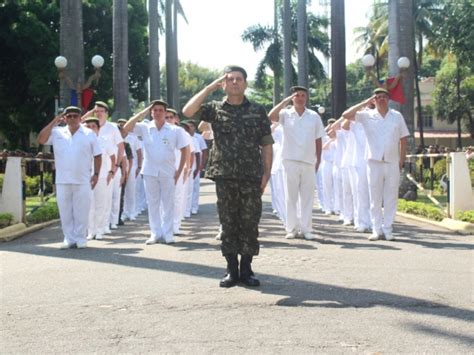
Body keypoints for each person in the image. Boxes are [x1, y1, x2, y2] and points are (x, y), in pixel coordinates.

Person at [182, 65, 273, 288]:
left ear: (245, 83)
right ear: (224, 84)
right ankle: (231, 269)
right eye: (230, 79)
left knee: (250, 222)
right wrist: (210, 86)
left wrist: (267, 172)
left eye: (239, 79)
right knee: (228, 222)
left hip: (251, 174)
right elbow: (187, 111)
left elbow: (266, 144)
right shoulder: (214, 109)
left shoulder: (258, 110)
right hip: (225, 175)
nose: (234, 82)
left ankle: (247, 269)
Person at [342, 87, 409, 241]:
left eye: (384, 97)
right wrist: (365, 102)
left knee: (391, 197)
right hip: (373, 162)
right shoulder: (366, 115)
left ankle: (388, 228)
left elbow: (403, 138)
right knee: (375, 198)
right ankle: (376, 229)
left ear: (389, 99)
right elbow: (346, 115)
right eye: (378, 97)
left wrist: (402, 159)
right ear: (374, 100)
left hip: (392, 161)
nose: (381, 99)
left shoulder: (396, 116)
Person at [122, 100, 189, 245]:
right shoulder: (145, 127)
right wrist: (142, 113)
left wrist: (179, 171)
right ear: (151, 112)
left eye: (160, 110)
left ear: (165, 113)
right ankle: (155, 233)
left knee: (168, 204)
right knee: (152, 204)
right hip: (150, 172)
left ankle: (168, 233)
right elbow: (126, 128)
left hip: (168, 171)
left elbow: (185, 150)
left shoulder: (175, 130)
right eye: (155, 110)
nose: (157, 113)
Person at [38, 106, 102, 249]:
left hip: (83, 179)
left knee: (82, 210)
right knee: (65, 211)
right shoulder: (56, 132)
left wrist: (96, 174)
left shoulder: (89, 134)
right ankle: (69, 238)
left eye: (75, 116)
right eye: (69, 116)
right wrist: (55, 120)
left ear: (80, 118)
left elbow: (98, 155)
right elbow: (41, 139)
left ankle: (80, 238)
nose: (72, 118)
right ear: (65, 118)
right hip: (63, 179)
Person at [269, 86, 325, 240]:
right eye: (297, 96)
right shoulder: (285, 114)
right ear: (293, 98)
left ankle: (307, 229)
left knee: (307, 198)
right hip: (290, 160)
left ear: (306, 98)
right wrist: (285, 101)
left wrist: (318, 158)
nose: (300, 98)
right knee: (291, 197)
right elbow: (270, 116)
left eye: (303, 95)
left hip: (308, 161)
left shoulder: (313, 116)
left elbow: (318, 138)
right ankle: (291, 228)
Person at [84, 116, 116, 241]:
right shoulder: (82, 141)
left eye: (94, 127)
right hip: (86, 177)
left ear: (98, 128)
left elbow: (113, 158)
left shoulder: (104, 141)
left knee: (100, 204)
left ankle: (99, 229)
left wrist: (111, 172)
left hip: (102, 177)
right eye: (88, 127)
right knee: (89, 205)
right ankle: (90, 231)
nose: (91, 129)